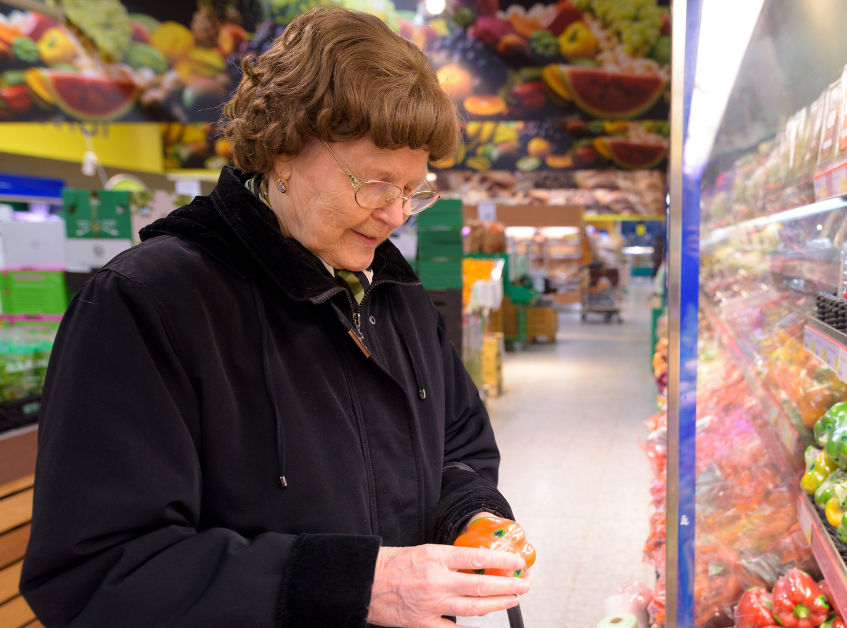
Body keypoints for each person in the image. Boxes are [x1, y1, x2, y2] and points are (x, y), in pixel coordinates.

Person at [20, 7, 532, 628]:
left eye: (414, 191)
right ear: (284, 151)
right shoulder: (145, 304)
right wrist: (359, 585)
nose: (396, 214)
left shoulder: (397, 295)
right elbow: (96, 571)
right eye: (373, 184)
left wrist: (471, 514)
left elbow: (459, 443)